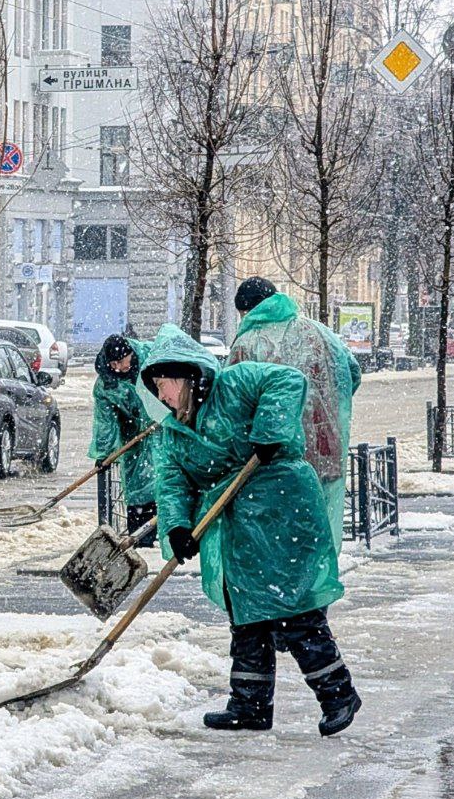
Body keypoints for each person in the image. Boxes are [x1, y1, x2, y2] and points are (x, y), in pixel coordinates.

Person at [140, 325, 361, 736]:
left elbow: (288, 380)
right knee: (246, 616)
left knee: (293, 608)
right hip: (239, 528)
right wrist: (178, 528)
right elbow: (172, 484)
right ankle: (249, 705)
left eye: (164, 385)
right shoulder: (174, 431)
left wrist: (269, 432)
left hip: (281, 508)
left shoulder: (235, 384)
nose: (161, 395)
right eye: (154, 388)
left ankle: (338, 694)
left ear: (184, 376)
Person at [228, 276, 362, 552]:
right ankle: (315, 575)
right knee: (315, 529)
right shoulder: (319, 332)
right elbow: (351, 373)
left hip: (274, 454)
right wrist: (326, 409)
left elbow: (232, 402)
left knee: (277, 536)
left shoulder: (247, 343)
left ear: (248, 310)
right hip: (324, 448)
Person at [89, 332, 158, 545]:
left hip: (161, 429)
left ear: (130, 354)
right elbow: (105, 422)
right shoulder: (106, 385)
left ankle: (162, 534)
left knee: (164, 480)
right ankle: (141, 538)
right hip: (134, 437)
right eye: (114, 364)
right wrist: (104, 454)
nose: (119, 367)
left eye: (122, 361)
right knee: (139, 486)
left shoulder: (150, 358)